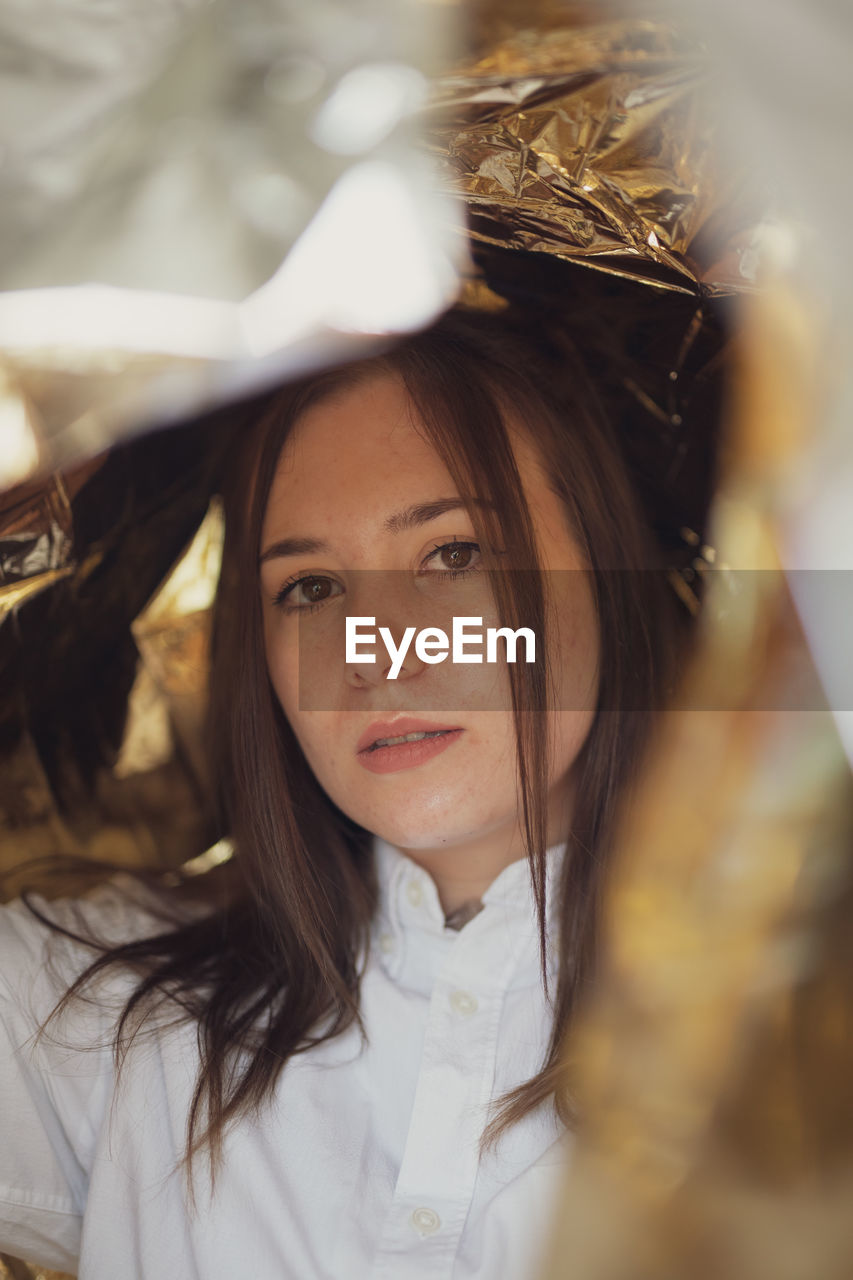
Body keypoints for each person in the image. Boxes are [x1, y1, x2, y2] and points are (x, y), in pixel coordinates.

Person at [0, 305, 679, 1279]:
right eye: (310, 588)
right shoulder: (98, 1011)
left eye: (452, 554)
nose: (378, 655)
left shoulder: (798, 1035)